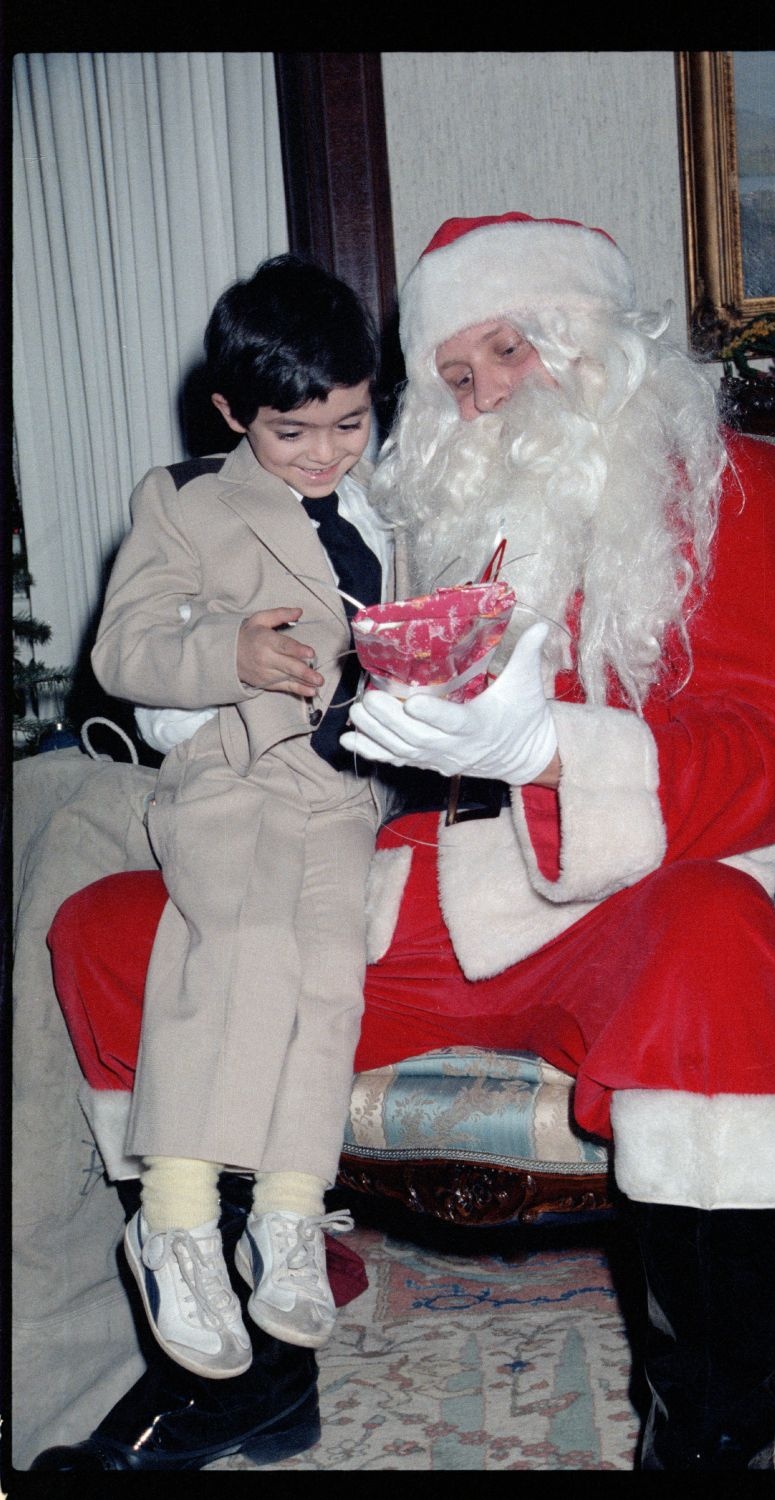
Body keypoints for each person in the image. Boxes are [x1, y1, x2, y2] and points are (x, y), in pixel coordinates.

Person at [33, 213, 775, 1471]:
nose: (487, 400)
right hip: (422, 896)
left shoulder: (742, 490)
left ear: (595, 344)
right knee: (114, 936)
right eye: (457, 377)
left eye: (511, 351)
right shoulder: (420, 514)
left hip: (630, 903)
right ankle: (243, 1373)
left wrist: (546, 755)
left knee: (717, 954)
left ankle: (708, 1432)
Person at [82, 254, 391, 1384]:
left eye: (348, 425)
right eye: (290, 433)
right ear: (231, 416)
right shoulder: (185, 497)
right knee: (243, 947)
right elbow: (121, 649)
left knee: (329, 969)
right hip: (226, 768)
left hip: (344, 781)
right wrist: (230, 654)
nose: (323, 454)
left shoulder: (385, 501)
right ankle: (173, 1216)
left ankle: (291, 1212)